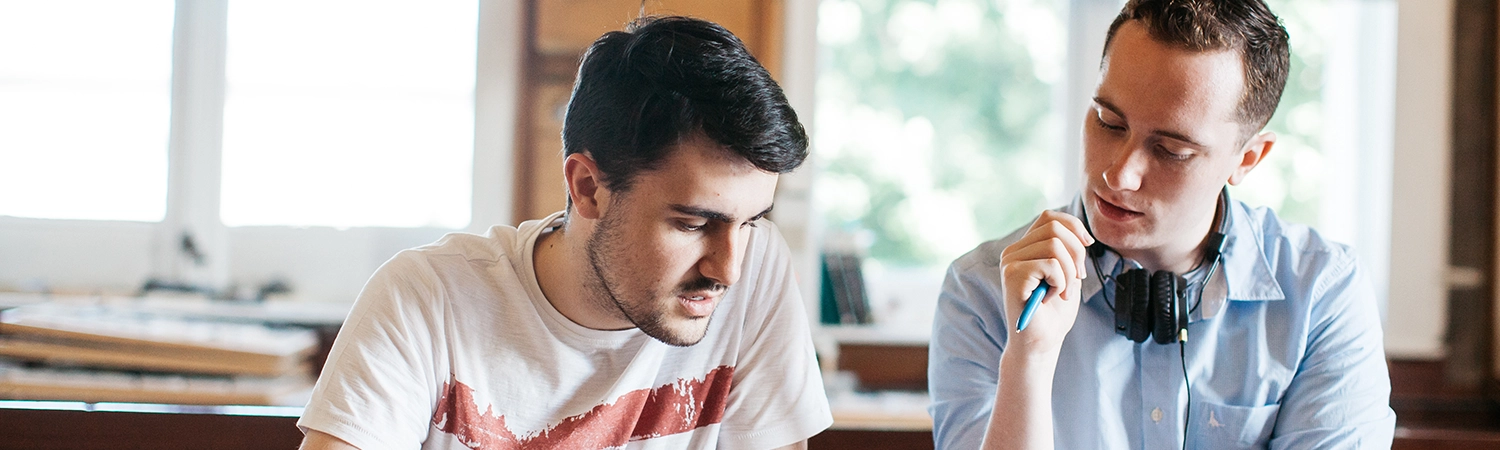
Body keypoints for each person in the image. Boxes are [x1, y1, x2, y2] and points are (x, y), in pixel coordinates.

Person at [297, 16, 831, 450]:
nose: (727, 269)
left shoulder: (757, 270)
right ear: (588, 187)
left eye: (752, 221)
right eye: (692, 223)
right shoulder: (426, 299)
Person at [928, 0, 1396, 448]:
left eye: (1171, 150)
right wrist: (1028, 358)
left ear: (1247, 159)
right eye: (1109, 122)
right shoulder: (982, 291)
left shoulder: (1321, 293)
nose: (1118, 174)